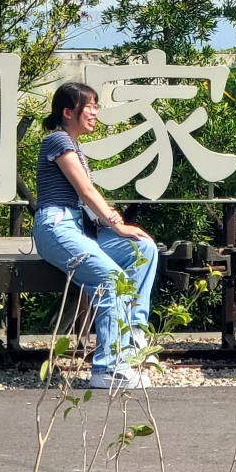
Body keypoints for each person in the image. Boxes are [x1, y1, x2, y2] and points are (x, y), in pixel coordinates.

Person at [31, 80, 160, 390]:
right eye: (88, 107)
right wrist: (116, 223)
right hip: (56, 227)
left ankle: (133, 336)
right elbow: (85, 190)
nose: (94, 112)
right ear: (67, 112)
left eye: (95, 106)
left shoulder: (74, 146)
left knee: (143, 249)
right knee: (111, 279)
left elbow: (88, 197)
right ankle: (108, 368)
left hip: (78, 227)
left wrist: (112, 225)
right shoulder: (57, 140)